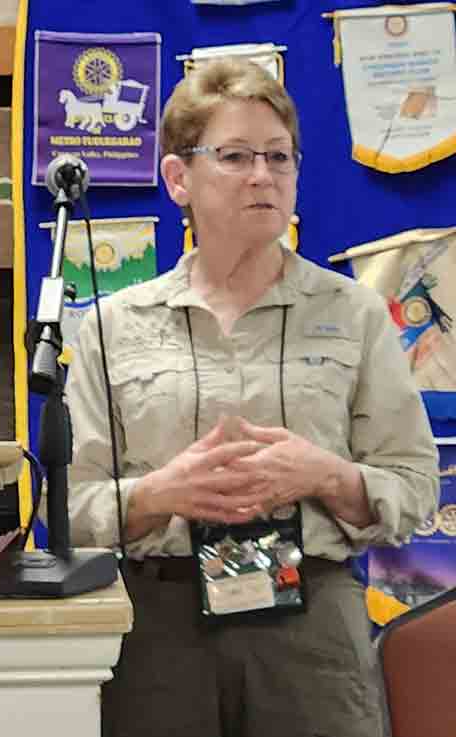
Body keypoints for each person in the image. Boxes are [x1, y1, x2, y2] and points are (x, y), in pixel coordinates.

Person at [64, 57, 439, 737]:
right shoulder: (111, 328)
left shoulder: (355, 313)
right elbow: (68, 505)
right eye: (235, 156)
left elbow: (414, 487)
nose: (263, 175)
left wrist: (325, 473)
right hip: (160, 630)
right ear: (179, 178)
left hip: (313, 627)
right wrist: (158, 495)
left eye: (279, 157)